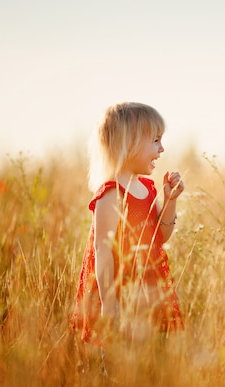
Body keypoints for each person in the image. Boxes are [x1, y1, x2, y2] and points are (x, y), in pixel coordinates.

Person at [71, 102, 185, 345]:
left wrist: (170, 200)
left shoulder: (147, 188)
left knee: (150, 358)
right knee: (118, 363)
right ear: (129, 145)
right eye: (155, 141)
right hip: (121, 296)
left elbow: (160, 238)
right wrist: (109, 307)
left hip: (148, 290)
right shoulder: (111, 194)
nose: (162, 148)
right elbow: (102, 253)